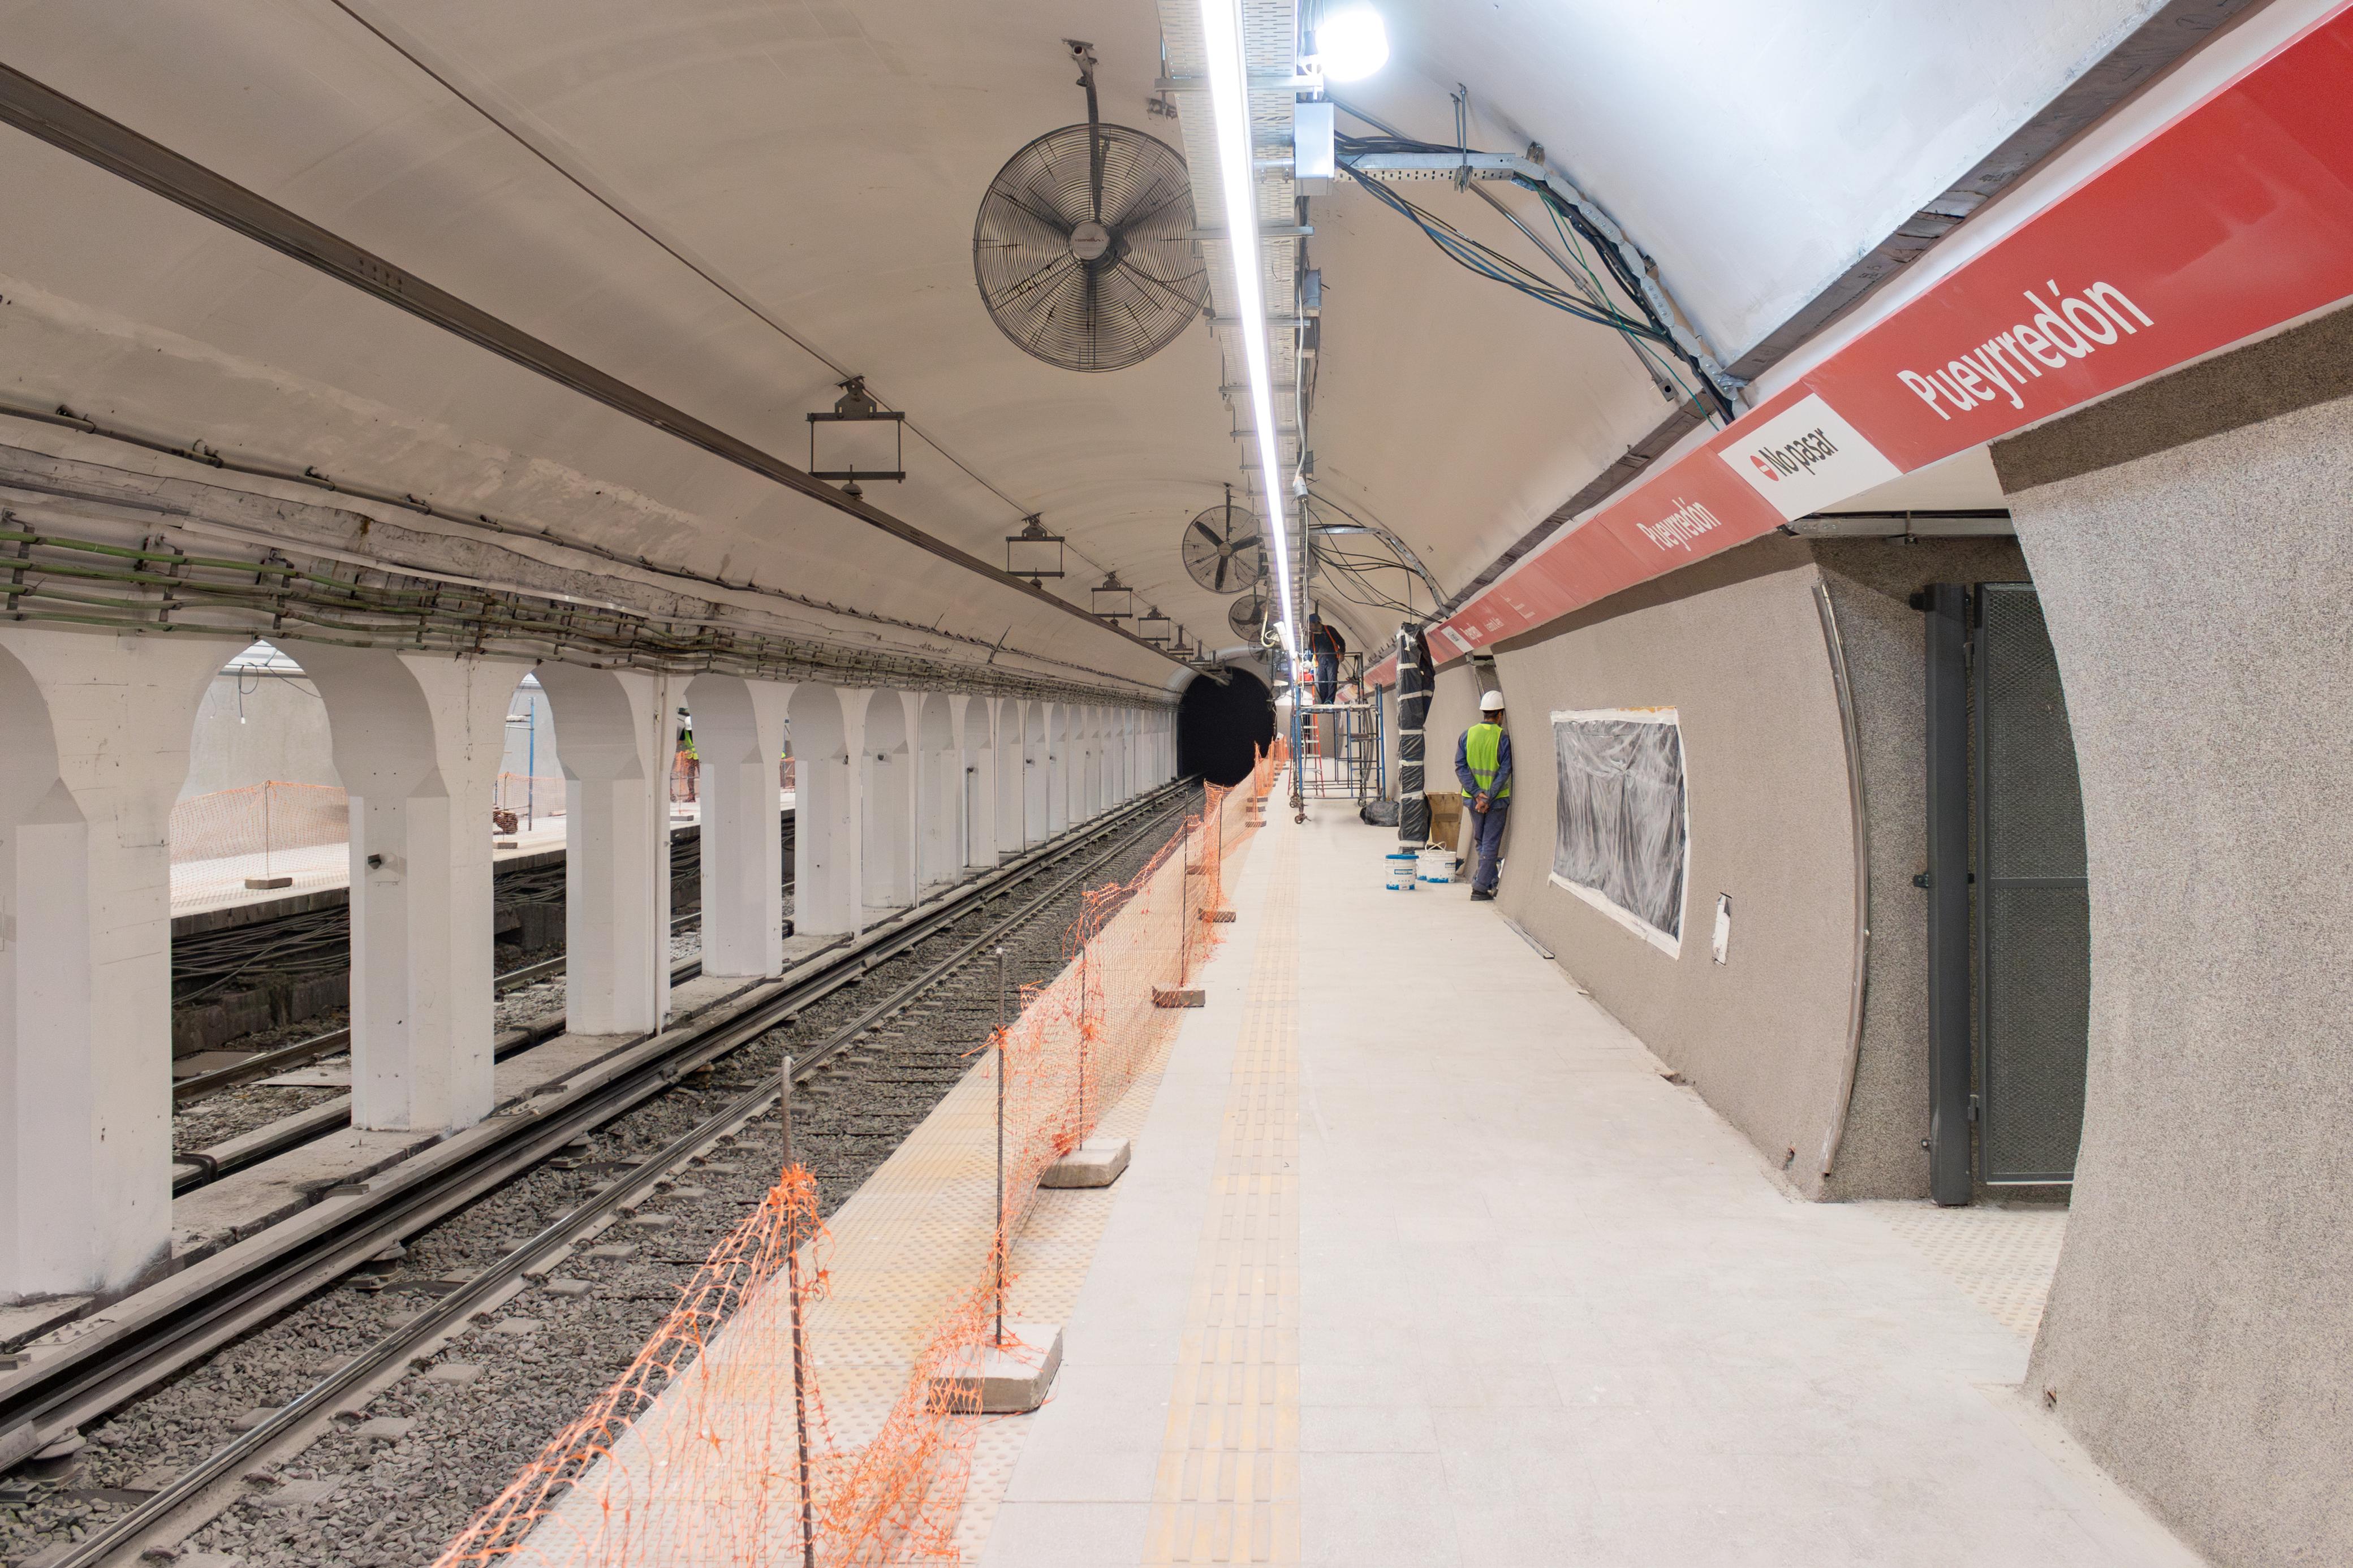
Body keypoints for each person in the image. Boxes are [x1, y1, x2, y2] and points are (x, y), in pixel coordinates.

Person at [1455, 689, 1512, 901]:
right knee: (1490, 842)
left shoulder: (1467, 735)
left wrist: (1477, 794)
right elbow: (1505, 771)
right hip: (1496, 802)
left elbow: (1461, 767)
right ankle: (1479, 888)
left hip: (1473, 801)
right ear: (1499, 715)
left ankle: (1491, 880)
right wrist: (1488, 796)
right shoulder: (1502, 738)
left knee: (1481, 840)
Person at [1307, 612, 1347, 705]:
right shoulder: (1312, 635)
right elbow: (1311, 649)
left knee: (1332, 679)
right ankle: (1324, 700)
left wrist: (1342, 654)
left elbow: (1341, 642)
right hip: (1320, 660)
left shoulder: (1329, 630)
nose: (1310, 628)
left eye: (1311, 625)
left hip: (1332, 659)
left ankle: (1330, 700)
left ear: (1317, 623)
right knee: (1322, 681)